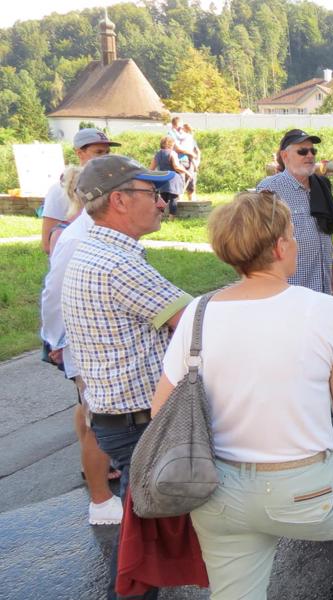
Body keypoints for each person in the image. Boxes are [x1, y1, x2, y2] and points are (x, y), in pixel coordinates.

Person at [151, 191, 333, 600]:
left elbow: (161, 410)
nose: (295, 243)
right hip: (304, 489)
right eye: (293, 235)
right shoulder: (324, 310)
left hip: (218, 490)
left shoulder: (199, 312)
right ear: (279, 246)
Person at [62, 155, 189, 598]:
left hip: (123, 421)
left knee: (149, 537)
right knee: (148, 543)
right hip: (138, 425)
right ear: (118, 200)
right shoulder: (118, 264)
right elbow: (195, 322)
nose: (161, 202)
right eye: (151, 193)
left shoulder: (97, 251)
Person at [39, 165, 122, 526]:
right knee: (96, 419)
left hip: (90, 343)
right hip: (85, 344)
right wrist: (55, 339)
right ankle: (101, 500)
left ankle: (102, 479)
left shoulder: (93, 232)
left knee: (91, 414)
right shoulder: (76, 238)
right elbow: (52, 294)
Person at [256, 129, 333, 296]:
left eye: (312, 151)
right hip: (290, 291)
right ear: (285, 156)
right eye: (302, 151)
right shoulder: (270, 190)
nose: (310, 155)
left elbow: (327, 233)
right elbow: (259, 244)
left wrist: (332, 273)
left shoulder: (322, 186)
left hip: (322, 288)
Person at [40, 128, 120, 253]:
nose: (105, 157)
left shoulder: (112, 187)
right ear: (79, 153)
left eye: (107, 152)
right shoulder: (58, 191)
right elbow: (47, 244)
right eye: (99, 152)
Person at [150, 136, 188, 219]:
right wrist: (186, 172)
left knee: (163, 199)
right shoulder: (172, 153)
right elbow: (176, 167)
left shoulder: (158, 154)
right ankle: (171, 218)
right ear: (171, 144)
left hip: (162, 178)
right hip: (173, 178)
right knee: (173, 198)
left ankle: (159, 216)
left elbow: (151, 168)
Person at [179, 123, 201, 201]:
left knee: (191, 186)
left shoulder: (190, 139)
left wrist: (196, 163)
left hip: (190, 162)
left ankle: (192, 202)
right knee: (181, 185)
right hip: (183, 162)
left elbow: (197, 152)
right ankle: (180, 202)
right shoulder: (181, 139)